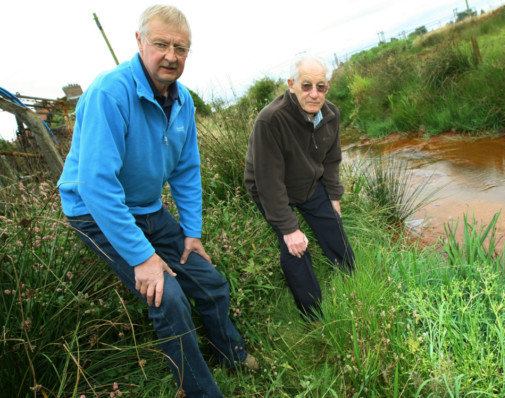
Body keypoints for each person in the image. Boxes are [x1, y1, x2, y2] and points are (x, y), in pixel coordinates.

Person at [58, 5, 256, 397]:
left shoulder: (183, 100)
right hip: (95, 213)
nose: (171, 55)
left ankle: (229, 353)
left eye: (180, 48)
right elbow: (96, 186)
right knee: (169, 298)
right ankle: (198, 389)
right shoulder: (109, 93)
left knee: (211, 280)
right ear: (139, 42)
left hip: (147, 208)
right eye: (161, 44)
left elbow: (186, 170)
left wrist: (192, 233)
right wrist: (142, 258)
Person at [244, 54, 356, 321]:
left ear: (328, 86)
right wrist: (289, 228)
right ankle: (313, 315)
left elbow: (331, 160)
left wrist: (334, 196)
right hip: (270, 187)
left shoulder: (331, 114)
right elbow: (269, 183)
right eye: (306, 86)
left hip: (308, 181)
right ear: (291, 84)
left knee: (333, 226)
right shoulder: (270, 120)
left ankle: (351, 281)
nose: (314, 94)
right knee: (295, 247)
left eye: (321, 87)